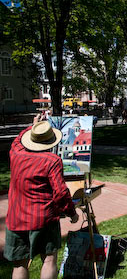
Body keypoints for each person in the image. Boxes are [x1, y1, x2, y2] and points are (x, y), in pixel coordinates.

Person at [5, 114, 79, 279]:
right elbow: (60, 193)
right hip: (42, 218)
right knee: (49, 260)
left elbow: (18, 141)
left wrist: (34, 126)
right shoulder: (51, 161)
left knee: (19, 264)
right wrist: (72, 213)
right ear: (50, 141)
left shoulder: (15, 153)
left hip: (16, 218)